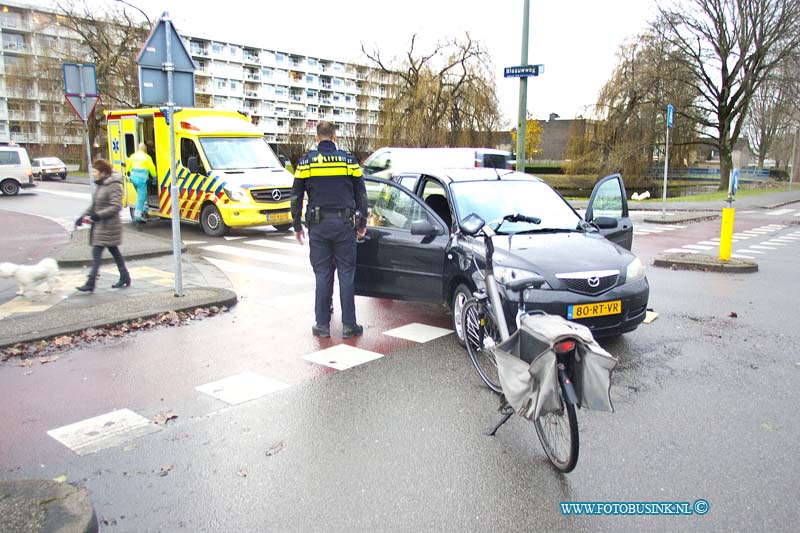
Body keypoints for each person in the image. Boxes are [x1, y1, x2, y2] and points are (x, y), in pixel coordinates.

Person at [291, 121, 367, 338]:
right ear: (335, 137)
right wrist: (361, 224)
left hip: (318, 227)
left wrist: (297, 225)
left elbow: (296, 196)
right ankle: (349, 325)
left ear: (317, 138)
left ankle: (322, 325)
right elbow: (361, 194)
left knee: (323, 274)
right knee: (346, 275)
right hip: (344, 226)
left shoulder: (306, 163)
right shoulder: (348, 161)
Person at [75, 159, 130, 292]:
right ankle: (124, 276)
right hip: (101, 225)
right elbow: (94, 206)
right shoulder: (102, 185)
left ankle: (91, 282)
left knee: (97, 253)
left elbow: (116, 206)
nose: (93, 173)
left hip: (109, 226)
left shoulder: (113, 185)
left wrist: (98, 215)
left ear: (103, 172)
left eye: (95, 171)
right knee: (114, 251)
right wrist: (82, 216)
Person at [125, 142, 156, 223]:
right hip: (141, 180)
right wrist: (155, 177)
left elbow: (128, 167)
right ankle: (138, 216)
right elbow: (152, 168)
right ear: (145, 149)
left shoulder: (133, 156)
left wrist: (127, 176)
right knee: (141, 197)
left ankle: (145, 209)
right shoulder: (147, 157)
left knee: (142, 194)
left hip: (133, 179)